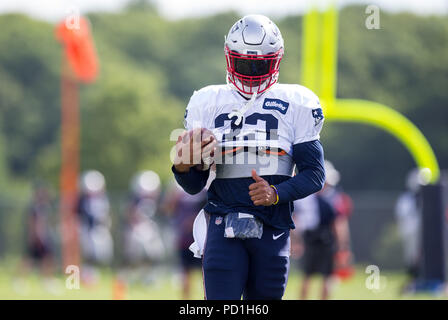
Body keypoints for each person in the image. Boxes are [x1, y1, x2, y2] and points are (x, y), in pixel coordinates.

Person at [172, 15, 325, 300]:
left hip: (273, 227)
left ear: (276, 60)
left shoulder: (297, 103)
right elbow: (194, 185)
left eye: (260, 64)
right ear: (230, 58)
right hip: (222, 223)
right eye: (244, 63)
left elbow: (315, 174)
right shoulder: (208, 102)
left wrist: (277, 193)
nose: (252, 73)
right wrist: (182, 165)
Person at [161, 179, 208, 299]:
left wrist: (191, 222)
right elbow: (167, 210)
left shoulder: (204, 189)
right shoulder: (177, 190)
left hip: (202, 238)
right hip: (184, 239)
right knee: (185, 273)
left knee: (206, 274)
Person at [122, 171, 165, 283]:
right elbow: (129, 214)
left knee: (155, 252)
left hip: (151, 229)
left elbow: (162, 213)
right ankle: (129, 275)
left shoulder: (157, 199)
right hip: (137, 229)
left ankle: (148, 276)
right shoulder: (135, 200)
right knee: (134, 254)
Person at [77, 170, 114, 283]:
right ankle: (88, 275)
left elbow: (106, 213)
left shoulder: (103, 198)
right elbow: (79, 215)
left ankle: (95, 273)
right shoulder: (82, 200)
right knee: (89, 254)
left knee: (103, 254)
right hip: (88, 229)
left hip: (100, 229)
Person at [395, 168, 422, 291]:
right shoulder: (407, 199)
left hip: (419, 232)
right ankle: (413, 282)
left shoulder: (422, 199)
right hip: (411, 232)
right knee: (412, 258)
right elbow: (403, 217)